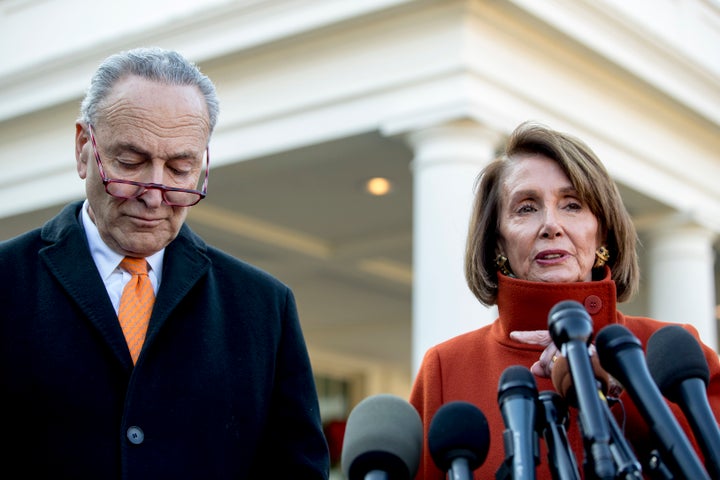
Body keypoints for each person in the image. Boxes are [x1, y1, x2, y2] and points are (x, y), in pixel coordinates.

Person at [0, 47, 330, 479]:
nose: (154, 194)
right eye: (131, 163)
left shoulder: (264, 307)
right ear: (84, 149)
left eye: (179, 168)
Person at [409, 121, 720, 479]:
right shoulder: (447, 368)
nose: (551, 225)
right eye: (526, 208)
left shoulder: (673, 351)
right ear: (498, 242)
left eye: (572, 205)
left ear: (602, 231)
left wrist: (624, 384)